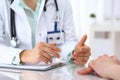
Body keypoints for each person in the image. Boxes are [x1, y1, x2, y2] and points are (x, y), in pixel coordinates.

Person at [0, 0, 91, 65]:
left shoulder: (62, 2)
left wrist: (74, 53)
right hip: (11, 75)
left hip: (51, 74)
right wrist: (24, 55)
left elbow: (68, 40)